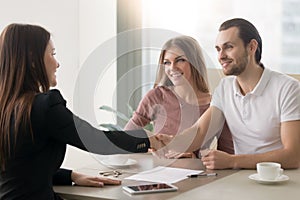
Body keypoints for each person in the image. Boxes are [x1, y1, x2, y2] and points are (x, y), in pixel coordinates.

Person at [0, 23, 162, 200]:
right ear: (33, 60)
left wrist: (70, 176)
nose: (57, 63)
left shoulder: (7, 108)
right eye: (52, 54)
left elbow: (17, 168)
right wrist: (146, 138)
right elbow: (95, 140)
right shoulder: (44, 106)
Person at [157, 18, 300, 169]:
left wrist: (233, 161)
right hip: (241, 180)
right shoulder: (225, 88)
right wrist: (168, 141)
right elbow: (199, 132)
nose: (221, 56)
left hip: (282, 183)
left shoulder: (288, 88)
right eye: (218, 49)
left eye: (228, 47)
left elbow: (293, 156)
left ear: (251, 47)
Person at [124, 35, 234, 158]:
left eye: (180, 60)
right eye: (167, 62)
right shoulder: (156, 96)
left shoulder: (216, 105)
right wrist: (152, 149)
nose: (172, 68)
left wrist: (195, 158)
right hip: (157, 171)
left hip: (195, 174)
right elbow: (127, 137)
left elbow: (227, 157)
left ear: (195, 62)